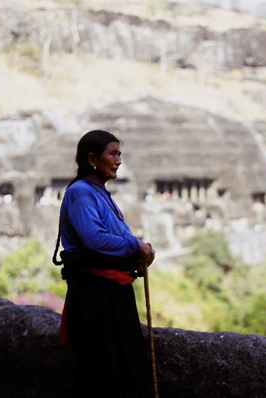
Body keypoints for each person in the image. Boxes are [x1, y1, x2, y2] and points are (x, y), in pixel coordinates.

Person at [52, 130, 156, 398]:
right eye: (113, 153)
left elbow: (117, 238)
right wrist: (136, 246)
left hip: (111, 292)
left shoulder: (100, 193)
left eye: (119, 153)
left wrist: (139, 253)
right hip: (96, 296)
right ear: (92, 159)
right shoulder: (81, 193)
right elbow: (95, 240)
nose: (119, 160)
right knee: (106, 370)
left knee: (123, 366)